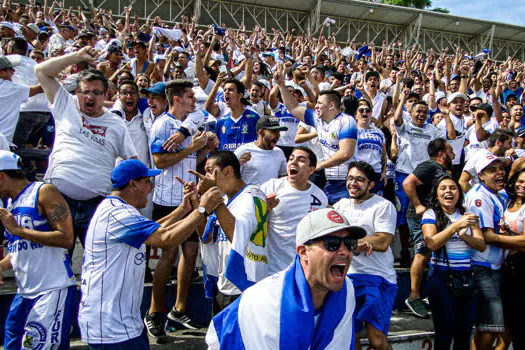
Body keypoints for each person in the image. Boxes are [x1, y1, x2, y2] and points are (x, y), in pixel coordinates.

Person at [78, 159, 224, 348]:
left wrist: (184, 209)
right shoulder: (118, 215)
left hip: (123, 323)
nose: (151, 188)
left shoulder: (118, 210)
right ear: (133, 183)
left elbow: (156, 229)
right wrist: (203, 209)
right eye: (147, 182)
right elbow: (166, 237)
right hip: (110, 328)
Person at [205, 208, 367, 349]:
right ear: (303, 252)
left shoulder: (346, 289)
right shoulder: (269, 304)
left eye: (350, 243)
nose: (344, 252)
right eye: (332, 243)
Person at [35, 46, 138, 253]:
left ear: (106, 94)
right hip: (59, 200)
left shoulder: (116, 124)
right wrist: (75, 57)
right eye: (85, 92)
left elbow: (132, 161)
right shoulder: (66, 104)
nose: (90, 98)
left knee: (98, 262)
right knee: (58, 264)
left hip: (96, 204)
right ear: (76, 92)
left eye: (96, 93)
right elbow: (41, 71)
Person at [145, 80, 212, 336]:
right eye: (188, 96)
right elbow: (160, 161)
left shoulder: (191, 122)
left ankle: (179, 310)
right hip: (169, 201)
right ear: (176, 99)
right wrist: (192, 148)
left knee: (191, 253)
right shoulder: (162, 123)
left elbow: (192, 156)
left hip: (190, 198)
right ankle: (153, 312)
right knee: (169, 256)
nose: (193, 99)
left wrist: (203, 150)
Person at [0, 151, 76, 349]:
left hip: (51, 288)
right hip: (24, 292)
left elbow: (66, 238)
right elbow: (19, 247)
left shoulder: (44, 192)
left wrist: (18, 230)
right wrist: (2, 265)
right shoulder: (10, 203)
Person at [191, 150, 269, 315]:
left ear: (228, 171)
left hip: (243, 286)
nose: (205, 176)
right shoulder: (226, 199)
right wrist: (195, 202)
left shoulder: (251, 196)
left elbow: (236, 236)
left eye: (209, 170)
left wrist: (215, 197)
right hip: (224, 284)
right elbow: (206, 237)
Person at [334, 161, 397, 350]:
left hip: (378, 278)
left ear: (371, 184)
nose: (353, 183)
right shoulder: (340, 205)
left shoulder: (383, 206)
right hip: (347, 278)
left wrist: (351, 244)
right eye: (350, 178)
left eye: (360, 180)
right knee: (349, 338)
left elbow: (383, 241)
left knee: (376, 339)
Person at [421, 175, 485, 349]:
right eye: (443, 188)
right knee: (444, 332)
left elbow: (481, 245)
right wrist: (456, 227)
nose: (448, 191)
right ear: (436, 194)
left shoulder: (468, 214)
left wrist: (465, 235)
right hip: (441, 277)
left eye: (453, 188)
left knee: (464, 333)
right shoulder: (431, 214)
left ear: (459, 193)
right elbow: (432, 243)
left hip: (466, 278)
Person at [275, 71, 357, 204]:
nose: (316, 106)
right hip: (329, 178)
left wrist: (320, 165)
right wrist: (281, 85)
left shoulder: (346, 121)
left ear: (331, 106)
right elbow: (294, 108)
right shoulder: (318, 120)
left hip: (346, 179)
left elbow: (346, 153)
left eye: (319, 103)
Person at [402, 138, 455, 318]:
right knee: (422, 252)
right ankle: (413, 296)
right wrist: (417, 205)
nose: (454, 154)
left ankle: (429, 296)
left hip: (433, 216)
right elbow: (407, 182)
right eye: (450, 151)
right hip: (421, 215)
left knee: (432, 252)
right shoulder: (429, 166)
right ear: (441, 154)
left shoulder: (442, 170)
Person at [260, 146, 328, 274]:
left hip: (303, 270)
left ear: (311, 170)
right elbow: (253, 223)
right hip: (272, 269)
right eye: (291, 158)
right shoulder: (271, 187)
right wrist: (266, 209)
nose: (293, 162)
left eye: (301, 160)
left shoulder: (320, 197)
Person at [464, 154, 508, 350]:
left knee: (496, 327)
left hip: (496, 266)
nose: (500, 172)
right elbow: (487, 236)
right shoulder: (478, 196)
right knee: (488, 328)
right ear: (480, 175)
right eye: (493, 170)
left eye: (501, 168)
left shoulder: (500, 194)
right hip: (482, 267)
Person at [234, 116, 288, 185]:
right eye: (274, 132)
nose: (278, 136)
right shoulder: (243, 151)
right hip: (250, 195)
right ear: (261, 132)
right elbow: (230, 178)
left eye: (278, 132)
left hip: (272, 195)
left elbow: (283, 179)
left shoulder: (279, 152)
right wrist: (238, 164)